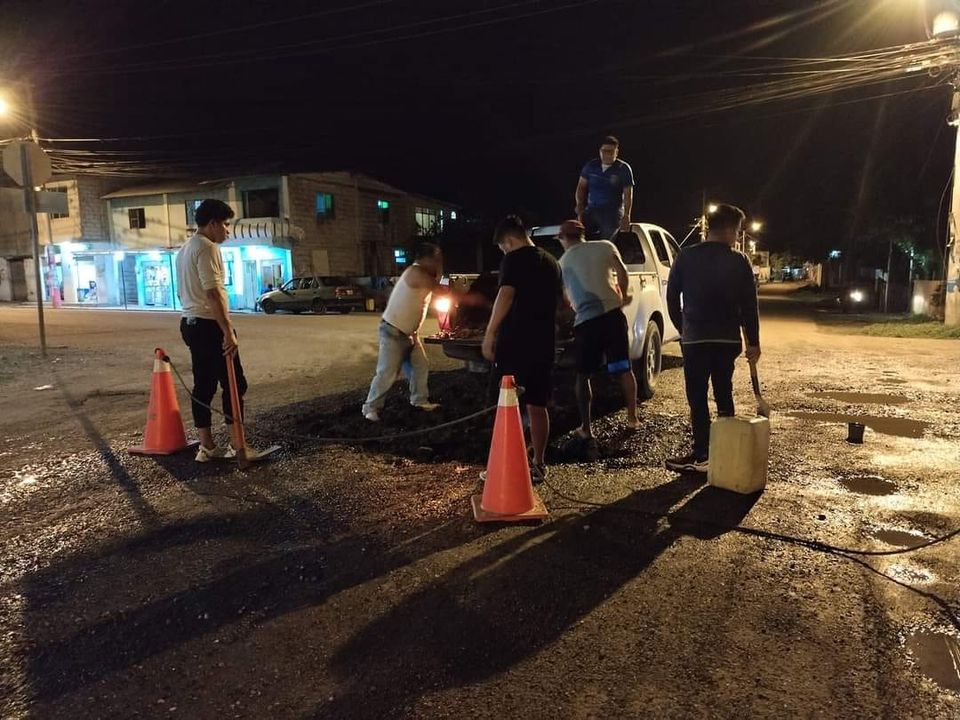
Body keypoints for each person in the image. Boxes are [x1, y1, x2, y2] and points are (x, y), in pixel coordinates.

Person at [665, 203, 761, 473]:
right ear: (729, 229)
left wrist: (683, 328)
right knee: (723, 393)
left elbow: (672, 297)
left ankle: (703, 453)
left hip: (695, 338)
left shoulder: (686, 256)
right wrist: (754, 342)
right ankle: (725, 452)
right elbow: (749, 305)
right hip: (727, 339)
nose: (738, 236)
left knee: (697, 397)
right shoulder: (739, 260)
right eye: (738, 230)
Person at [482, 215, 561, 481]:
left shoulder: (513, 260)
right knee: (537, 405)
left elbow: (505, 295)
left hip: (514, 345)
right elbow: (562, 302)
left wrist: (490, 332)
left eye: (502, 247)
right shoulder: (552, 262)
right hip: (544, 344)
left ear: (509, 241)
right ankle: (538, 463)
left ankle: (502, 467)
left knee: (504, 405)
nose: (503, 252)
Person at [176, 199, 254, 462]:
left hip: (190, 322)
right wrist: (227, 330)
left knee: (204, 384)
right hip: (209, 325)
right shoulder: (207, 247)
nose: (227, 231)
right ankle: (237, 445)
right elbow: (212, 293)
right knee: (234, 383)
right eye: (225, 224)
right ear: (212, 224)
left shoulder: (184, 249)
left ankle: (207, 446)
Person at [556, 219, 640, 440]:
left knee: (583, 376)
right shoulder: (605, 246)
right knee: (623, 368)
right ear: (583, 234)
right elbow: (622, 272)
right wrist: (623, 295)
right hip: (613, 317)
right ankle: (632, 418)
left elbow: (566, 298)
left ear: (563, 238)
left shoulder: (562, 263)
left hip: (586, 324)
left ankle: (586, 428)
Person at [362, 243, 443, 422]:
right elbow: (438, 288)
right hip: (393, 331)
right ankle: (370, 407)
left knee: (420, 366)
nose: (438, 261)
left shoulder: (422, 273)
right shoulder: (416, 273)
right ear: (425, 258)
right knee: (387, 372)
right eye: (436, 258)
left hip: (409, 334)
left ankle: (419, 400)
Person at [575, 135, 635, 240]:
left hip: (612, 212)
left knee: (607, 239)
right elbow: (581, 187)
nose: (607, 154)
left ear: (616, 152)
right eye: (604, 151)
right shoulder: (591, 166)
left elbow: (628, 194)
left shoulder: (623, 168)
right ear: (600, 151)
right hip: (592, 209)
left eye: (611, 151)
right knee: (577, 233)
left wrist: (626, 215)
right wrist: (579, 204)